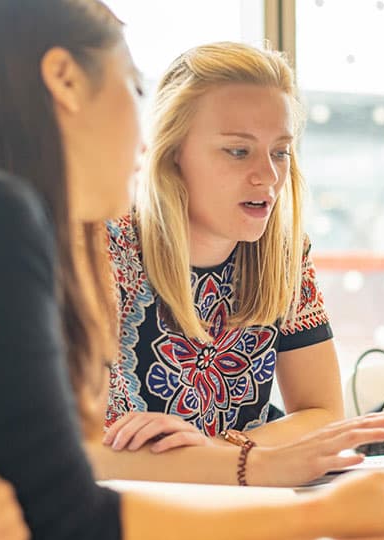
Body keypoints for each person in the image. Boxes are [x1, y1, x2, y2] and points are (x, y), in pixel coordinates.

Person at [0, 1, 384, 538]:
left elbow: (46, 486)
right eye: (133, 87)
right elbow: (70, 507)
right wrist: (318, 513)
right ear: (64, 80)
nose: (145, 138)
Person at [101, 42, 343, 455]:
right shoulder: (110, 246)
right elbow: (99, 447)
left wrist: (218, 452)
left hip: (246, 499)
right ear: (173, 151)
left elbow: (324, 414)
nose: (267, 175)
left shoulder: (285, 255)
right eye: (238, 151)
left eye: (280, 152)